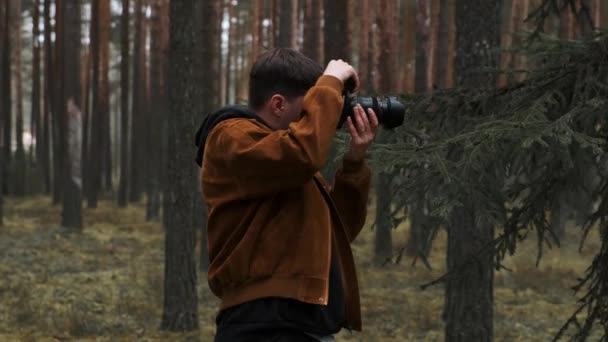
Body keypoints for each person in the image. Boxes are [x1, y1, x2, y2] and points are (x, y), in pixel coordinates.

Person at [195, 48, 378, 342]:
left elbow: (338, 230)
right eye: (310, 108)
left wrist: (354, 162)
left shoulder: (288, 161)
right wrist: (330, 82)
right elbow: (301, 154)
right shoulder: (230, 136)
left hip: (303, 325)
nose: (319, 118)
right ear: (278, 104)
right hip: (262, 324)